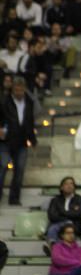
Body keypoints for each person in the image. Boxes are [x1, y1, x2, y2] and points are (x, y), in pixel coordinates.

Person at [0, 77, 35, 205]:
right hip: (6, 141)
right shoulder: (4, 101)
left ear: (24, 89)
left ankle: (14, 198)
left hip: (21, 141)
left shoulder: (29, 102)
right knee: (2, 166)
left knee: (19, 169)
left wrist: (33, 139)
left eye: (21, 89)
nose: (19, 92)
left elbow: (30, 122)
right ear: (12, 89)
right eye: (16, 89)